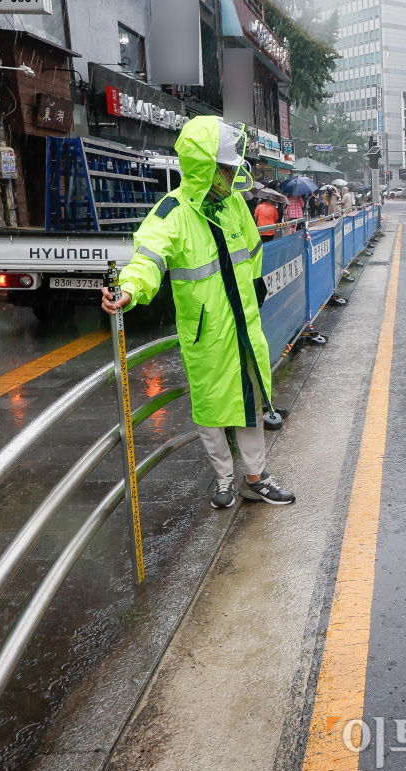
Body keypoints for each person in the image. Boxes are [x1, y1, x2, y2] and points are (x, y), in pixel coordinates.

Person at [101, 117, 296, 509]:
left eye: (229, 167)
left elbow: (252, 250)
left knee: (250, 402)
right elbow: (148, 259)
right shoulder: (171, 212)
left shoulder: (234, 205)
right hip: (206, 333)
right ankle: (224, 477)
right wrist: (129, 289)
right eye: (223, 167)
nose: (229, 174)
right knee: (209, 408)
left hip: (243, 324)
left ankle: (256, 477)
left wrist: (256, 284)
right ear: (204, 167)